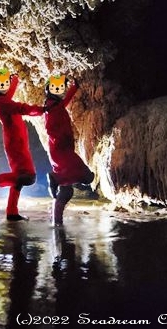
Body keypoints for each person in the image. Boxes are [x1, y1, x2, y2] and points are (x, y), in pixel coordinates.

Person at [0, 69, 43, 221]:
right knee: (28, 177)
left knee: (20, 178)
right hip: (15, 141)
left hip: (16, 140)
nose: (3, 85)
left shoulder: (1, 98)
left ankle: (12, 212)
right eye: (0, 83)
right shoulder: (0, 101)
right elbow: (20, 108)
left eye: (5, 83)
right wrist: (41, 110)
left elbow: (9, 94)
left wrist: (15, 80)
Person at [43, 74, 95, 225]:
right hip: (62, 149)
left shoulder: (55, 105)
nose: (59, 90)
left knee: (66, 192)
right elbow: (49, 128)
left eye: (61, 88)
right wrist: (60, 139)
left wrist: (74, 87)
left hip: (58, 151)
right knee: (86, 176)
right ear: (48, 89)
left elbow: (64, 101)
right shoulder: (50, 107)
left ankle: (56, 223)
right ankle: (55, 178)